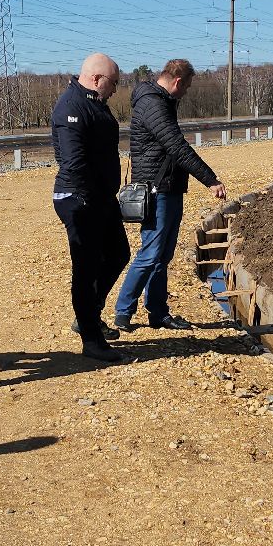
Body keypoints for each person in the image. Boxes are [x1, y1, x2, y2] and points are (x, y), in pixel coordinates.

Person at [114, 58, 225, 332]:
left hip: (170, 187)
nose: (186, 92)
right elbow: (176, 146)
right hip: (156, 189)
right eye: (186, 87)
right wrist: (210, 180)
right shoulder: (153, 103)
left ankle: (158, 312)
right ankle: (123, 311)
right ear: (177, 81)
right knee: (150, 253)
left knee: (162, 255)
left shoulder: (161, 101)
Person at [51, 52, 130, 363]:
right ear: (97, 78)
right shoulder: (72, 107)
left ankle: (88, 317)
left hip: (100, 198)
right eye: (114, 83)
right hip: (81, 199)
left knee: (118, 254)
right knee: (85, 269)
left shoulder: (95, 103)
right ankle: (91, 339)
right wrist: (88, 200)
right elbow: (73, 161)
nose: (115, 89)